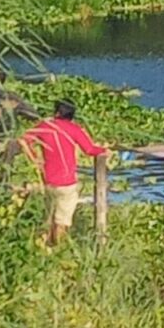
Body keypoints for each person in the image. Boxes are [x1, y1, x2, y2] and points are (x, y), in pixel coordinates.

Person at [20, 99, 109, 245]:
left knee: (48, 217)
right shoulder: (74, 129)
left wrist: (35, 160)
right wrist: (104, 150)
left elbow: (24, 140)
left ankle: (44, 249)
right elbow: (89, 150)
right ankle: (56, 249)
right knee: (62, 221)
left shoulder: (45, 126)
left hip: (48, 180)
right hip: (67, 182)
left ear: (57, 112)